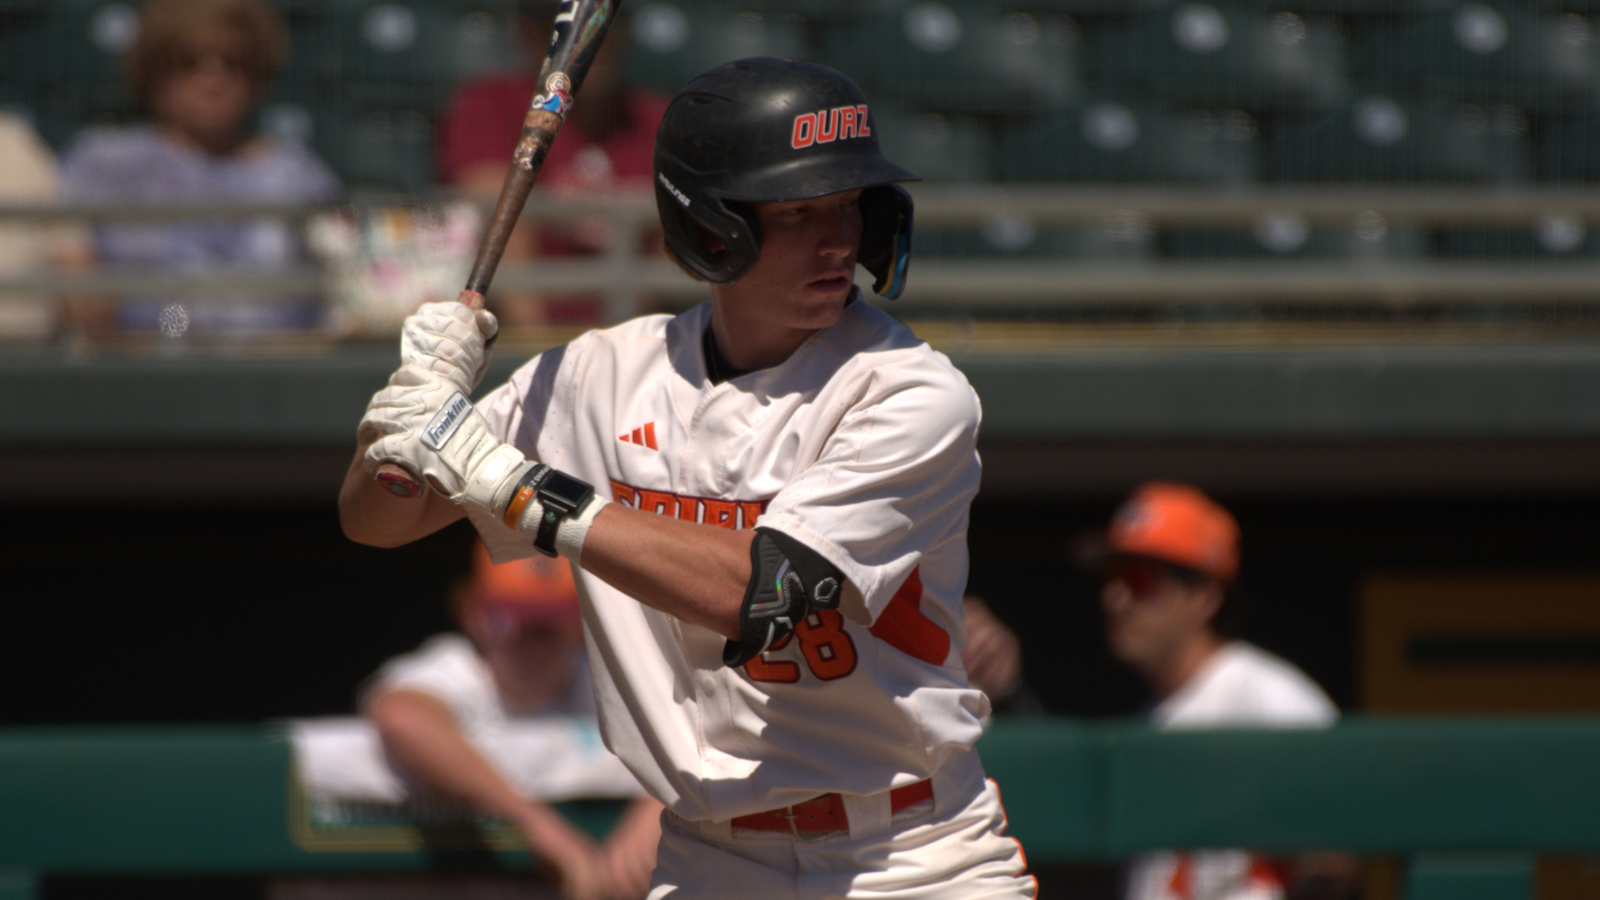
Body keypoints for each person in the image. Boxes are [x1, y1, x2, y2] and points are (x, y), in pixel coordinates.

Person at [342, 57, 1035, 899]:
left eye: (849, 205)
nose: (838, 239)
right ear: (712, 228)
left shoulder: (910, 392)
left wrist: (521, 489)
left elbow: (763, 592)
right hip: (711, 857)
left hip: (909, 856)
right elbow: (378, 522)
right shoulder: (603, 374)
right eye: (799, 212)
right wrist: (401, 423)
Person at [1093, 482, 1355, 900]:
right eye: (1112, 575)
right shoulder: (1156, 712)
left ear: (1203, 596)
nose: (1115, 597)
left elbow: (1339, 853)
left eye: (1138, 578)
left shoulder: (1267, 695)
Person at [365, 543, 662, 900]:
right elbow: (400, 717)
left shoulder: (606, 680)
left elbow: (707, 736)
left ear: (579, 623)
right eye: (512, 618)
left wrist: (662, 806)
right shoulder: (458, 668)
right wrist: (544, 831)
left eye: (548, 622)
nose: (531, 639)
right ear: (476, 615)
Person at [57, 0, 340, 337]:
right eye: (188, 62)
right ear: (154, 70)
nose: (212, 77)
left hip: (272, 372)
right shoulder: (102, 163)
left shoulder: (298, 175)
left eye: (233, 62)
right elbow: (76, 289)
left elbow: (333, 299)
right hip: (140, 369)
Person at [437, 0, 666, 326]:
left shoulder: (652, 117)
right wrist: (539, 348)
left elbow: (665, 253)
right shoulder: (491, 104)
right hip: (517, 344)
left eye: (603, 24)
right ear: (529, 33)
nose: (590, 39)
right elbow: (497, 220)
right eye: (571, 28)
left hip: (625, 340)